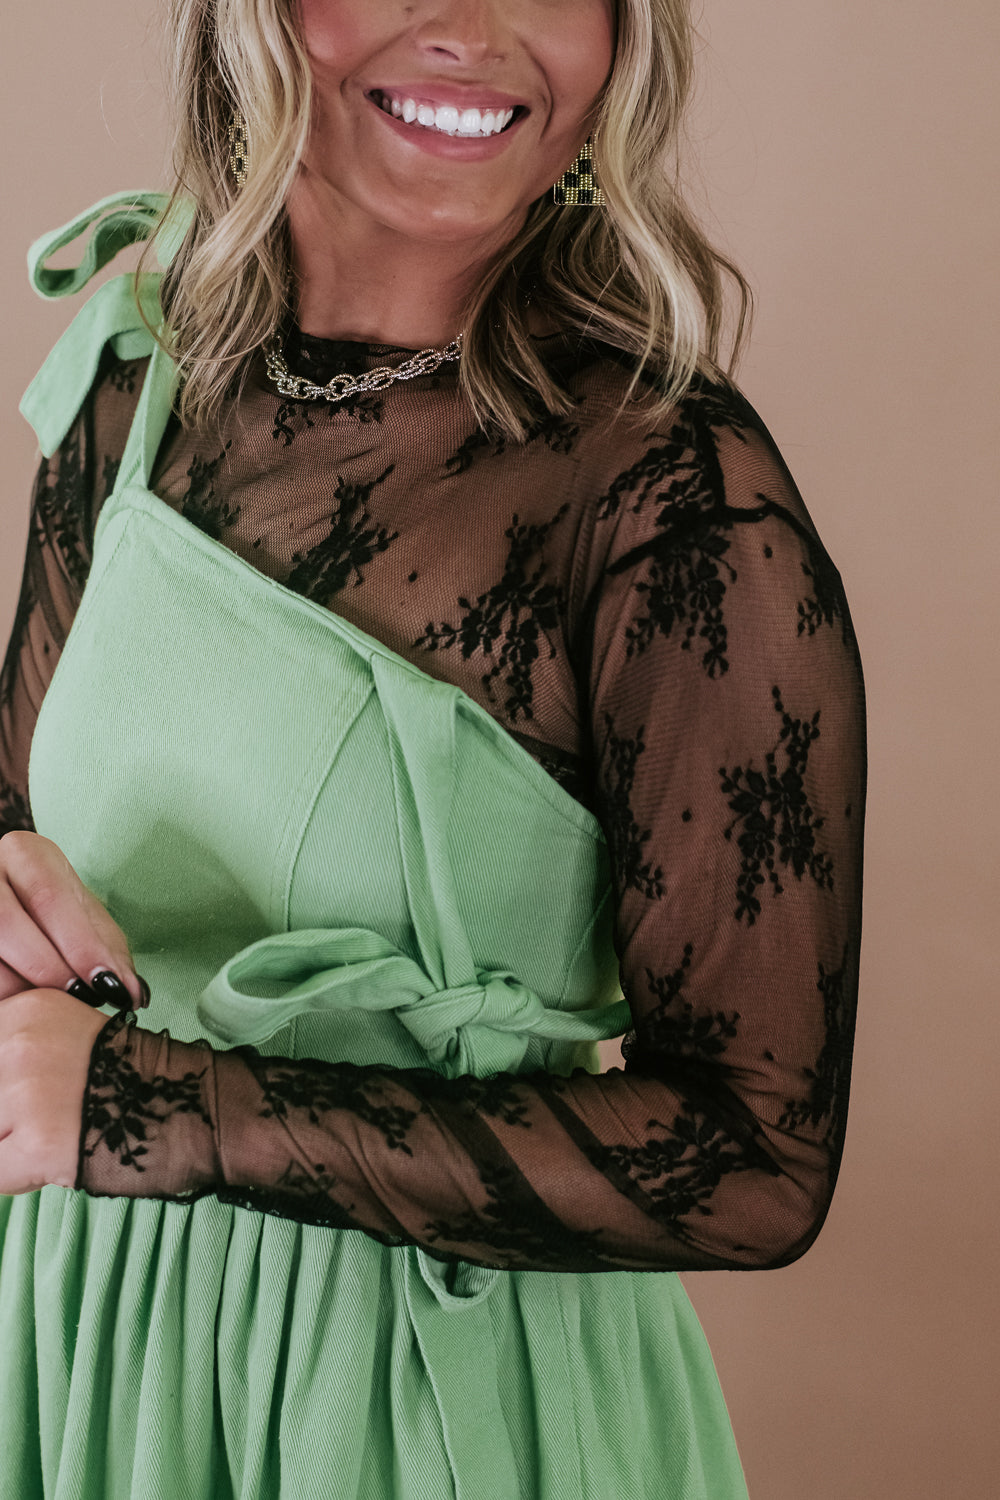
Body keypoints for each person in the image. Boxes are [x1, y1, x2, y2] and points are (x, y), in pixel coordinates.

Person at [0, 1, 866, 1496]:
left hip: (408, 1392)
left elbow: (751, 1159)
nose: (476, 27)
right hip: (85, 1332)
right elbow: (26, 811)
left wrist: (153, 1108)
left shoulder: (672, 500)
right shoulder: (143, 383)